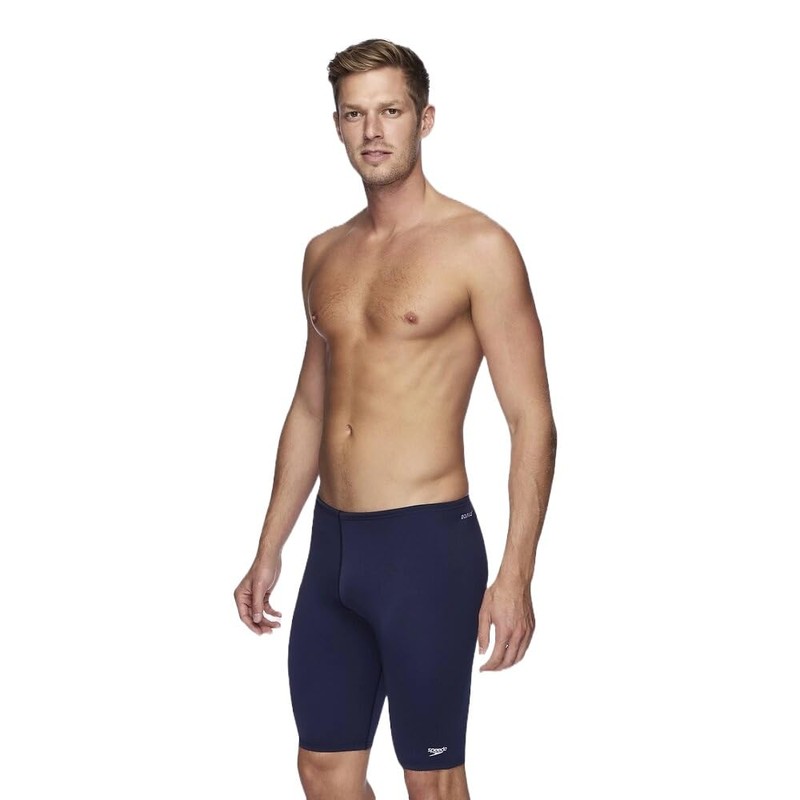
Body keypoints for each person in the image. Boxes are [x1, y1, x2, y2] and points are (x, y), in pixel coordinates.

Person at [234, 38, 557, 800]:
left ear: (424, 119)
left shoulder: (479, 247)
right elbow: (310, 405)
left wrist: (516, 573)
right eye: (355, 114)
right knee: (323, 770)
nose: (372, 130)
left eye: (390, 111)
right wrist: (270, 547)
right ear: (338, 126)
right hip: (334, 547)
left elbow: (532, 419)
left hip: (425, 549)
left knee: (431, 780)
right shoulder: (324, 253)